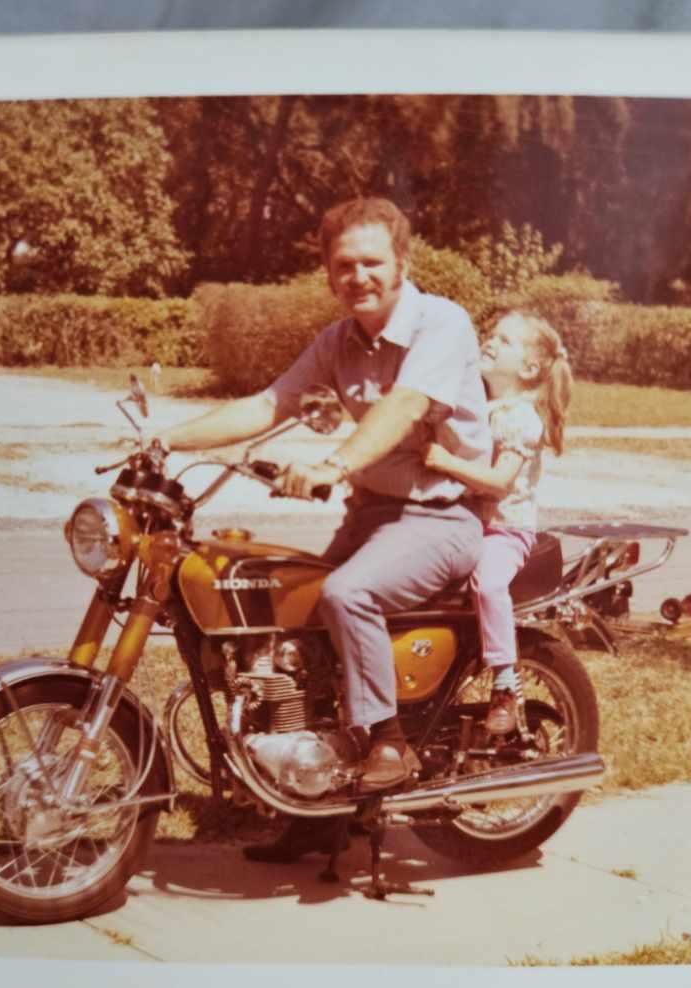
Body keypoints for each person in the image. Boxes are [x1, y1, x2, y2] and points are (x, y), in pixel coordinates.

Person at [157, 196, 491, 860]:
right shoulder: (339, 342)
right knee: (292, 624)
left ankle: (389, 741)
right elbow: (266, 404)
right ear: (329, 273)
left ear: (403, 263)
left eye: (372, 262)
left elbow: (405, 406)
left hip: (444, 516)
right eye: (344, 266)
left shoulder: (441, 324)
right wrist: (167, 441)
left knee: (347, 595)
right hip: (373, 516)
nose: (358, 277)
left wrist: (336, 462)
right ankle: (315, 808)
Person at [422, 311, 573, 734]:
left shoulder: (520, 418)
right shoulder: (480, 407)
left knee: (488, 585)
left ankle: (506, 682)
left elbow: (500, 484)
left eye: (504, 341)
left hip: (504, 530)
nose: (489, 342)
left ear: (528, 369)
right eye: (491, 335)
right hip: (465, 523)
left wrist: (445, 462)